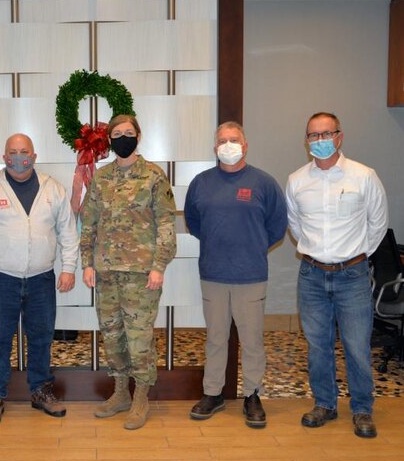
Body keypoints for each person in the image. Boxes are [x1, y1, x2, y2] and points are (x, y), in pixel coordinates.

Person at [0, 133, 79, 426]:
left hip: (41, 279)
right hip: (0, 279)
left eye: (24, 151)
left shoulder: (53, 189)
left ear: (34, 156)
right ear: (4, 157)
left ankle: (41, 391)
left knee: (41, 339)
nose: (18, 157)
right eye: (12, 152)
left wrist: (68, 268)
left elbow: (67, 231)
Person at [286, 112, 388, 438]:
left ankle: (362, 410)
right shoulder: (297, 180)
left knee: (357, 347)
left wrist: (355, 257)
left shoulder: (364, 176)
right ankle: (325, 404)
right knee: (318, 347)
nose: (320, 140)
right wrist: (321, 254)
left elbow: (378, 224)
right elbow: (296, 225)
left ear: (339, 137)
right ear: (306, 141)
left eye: (326, 134)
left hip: (353, 276)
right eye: (313, 136)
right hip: (312, 275)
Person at [184, 121, 288, 429]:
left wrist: (252, 247)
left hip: (251, 275)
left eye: (234, 139)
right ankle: (213, 393)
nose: (228, 145)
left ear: (245, 145)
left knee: (252, 340)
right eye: (222, 141)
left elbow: (277, 226)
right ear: (214, 147)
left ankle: (252, 395)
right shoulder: (201, 183)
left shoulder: (264, 183)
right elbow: (194, 222)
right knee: (215, 339)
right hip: (213, 274)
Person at [80, 114, 176, 430]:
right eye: (117, 133)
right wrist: (87, 263)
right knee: (112, 336)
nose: (123, 137)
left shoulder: (153, 176)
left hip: (141, 275)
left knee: (139, 339)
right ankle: (121, 392)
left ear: (139, 135)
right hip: (106, 272)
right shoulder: (101, 177)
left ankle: (141, 397)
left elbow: (166, 224)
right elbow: (89, 222)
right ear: (109, 139)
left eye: (129, 132)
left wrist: (159, 266)